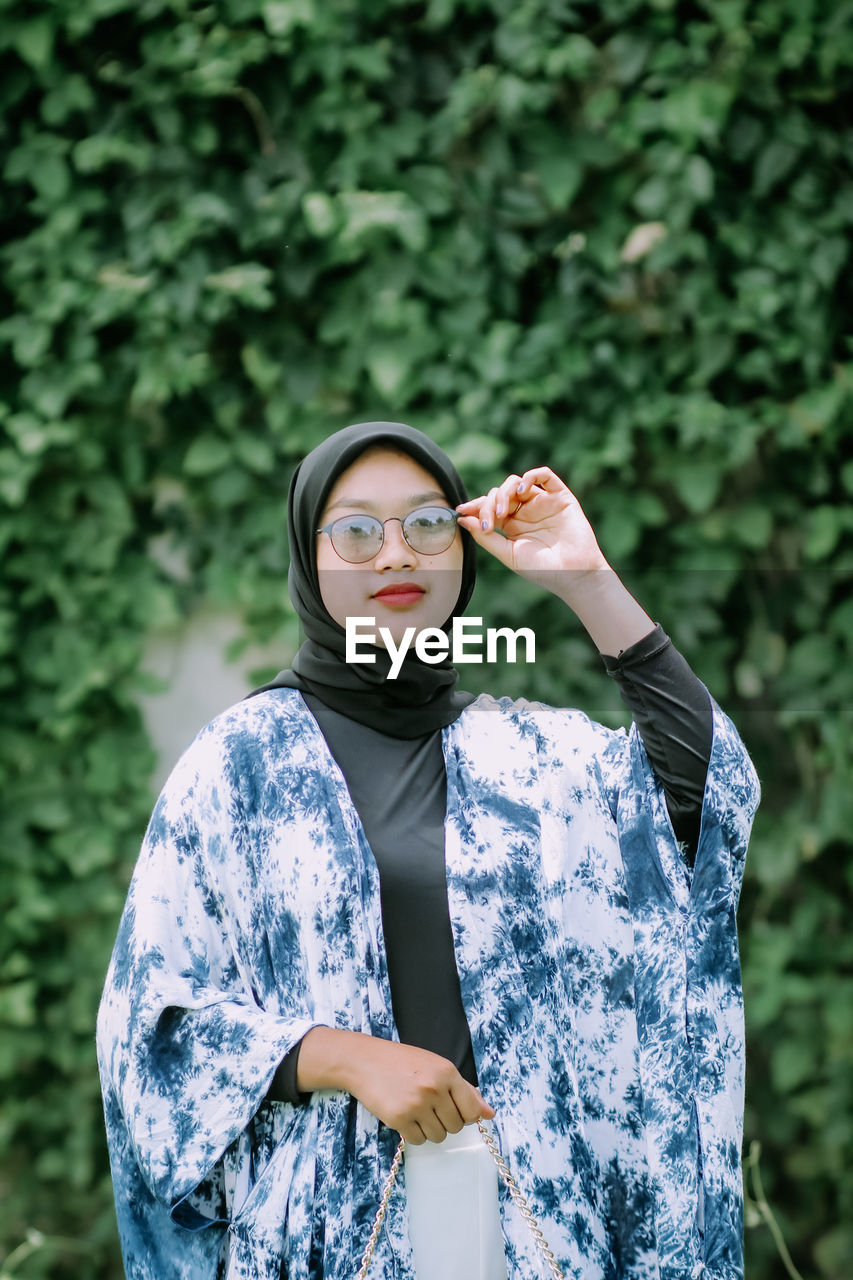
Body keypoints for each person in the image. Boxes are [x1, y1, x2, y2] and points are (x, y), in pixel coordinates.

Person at [96, 421, 760, 1280]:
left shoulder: (533, 757)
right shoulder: (240, 766)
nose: (394, 554)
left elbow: (708, 807)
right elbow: (149, 1026)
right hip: (327, 1240)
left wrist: (587, 581)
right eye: (357, 531)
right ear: (309, 554)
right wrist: (340, 1056)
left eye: (426, 524)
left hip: (535, 1230)